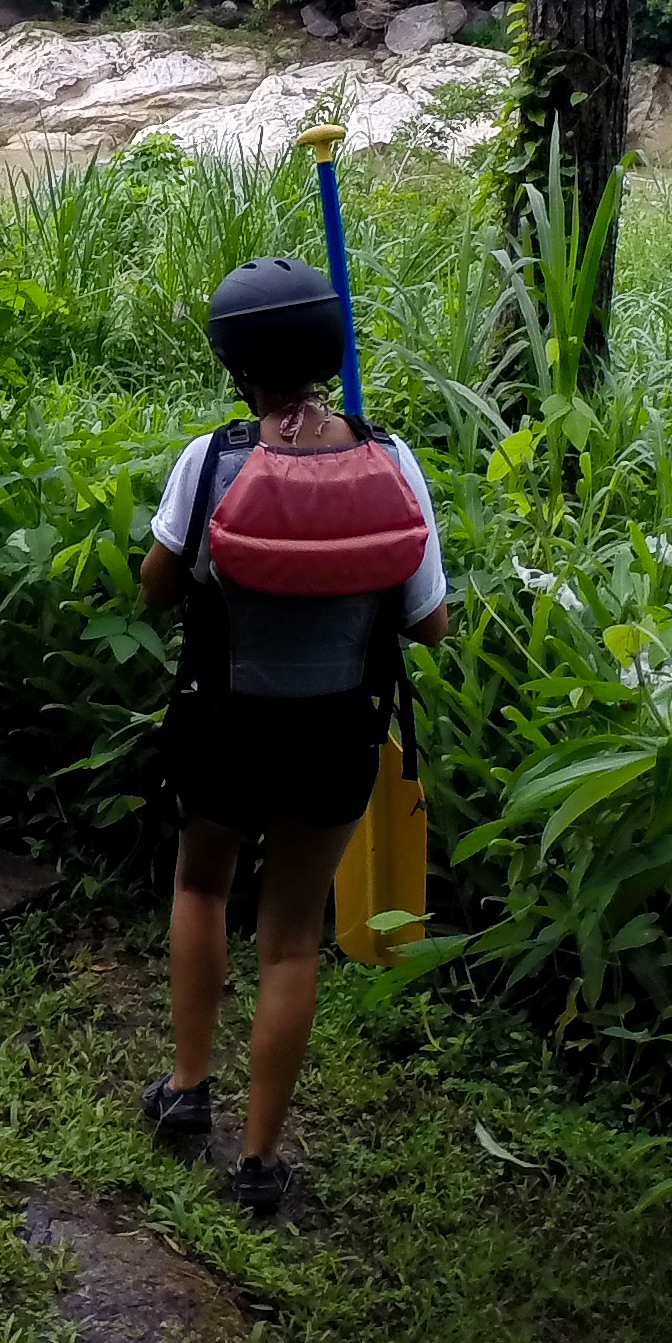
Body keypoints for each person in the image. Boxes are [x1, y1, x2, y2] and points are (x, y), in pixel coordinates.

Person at [137, 256, 451, 1221]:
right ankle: (262, 1162)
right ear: (329, 350)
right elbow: (428, 624)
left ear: (236, 364)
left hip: (223, 720)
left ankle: (189, 1091)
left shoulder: (212, 460)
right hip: (334, 732)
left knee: (201, 883)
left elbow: (158, 585)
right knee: (292, 943)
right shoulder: (392, 460)